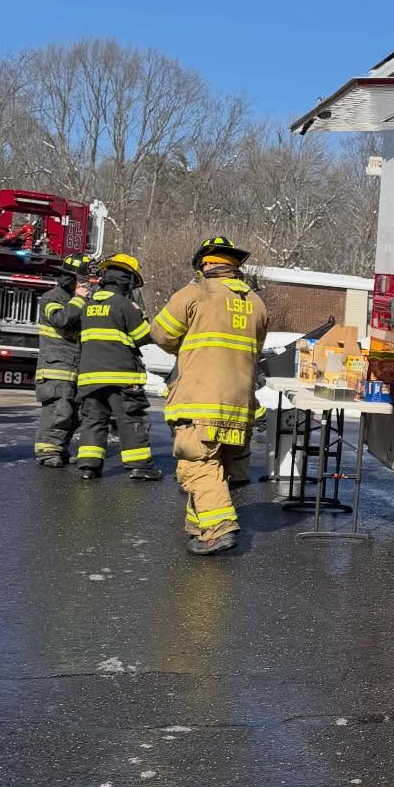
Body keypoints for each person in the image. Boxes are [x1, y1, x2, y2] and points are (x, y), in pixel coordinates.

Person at [150, 236, 267, 556]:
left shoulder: (195, 293)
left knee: (196, 464)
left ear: (204, 263)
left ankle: (218, 530)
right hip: (239, 404)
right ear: (233, 265)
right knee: (217, 467)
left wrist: (189, 343)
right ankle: (199, 526)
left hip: (201, 398)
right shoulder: (257, 303)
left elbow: (160, 333)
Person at [73, 253, 162, 482]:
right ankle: (140, 466)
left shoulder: (88, 304)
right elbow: (143, 337)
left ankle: (88, 466)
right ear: (128, 281)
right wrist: (140, 315)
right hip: (120, 376)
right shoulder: (123, 304)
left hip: (90, 376)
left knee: (94, 420)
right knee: (130, 419)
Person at [33, 253, 93, 466]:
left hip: (76, 365)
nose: (81, 284)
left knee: (74, 412)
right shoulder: (52, 297)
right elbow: (61, 320)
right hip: (55, 366)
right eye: (78, 280)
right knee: (59, 409)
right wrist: (79, 299)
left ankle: (60, 447)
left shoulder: (82, 300)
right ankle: (48, 451)